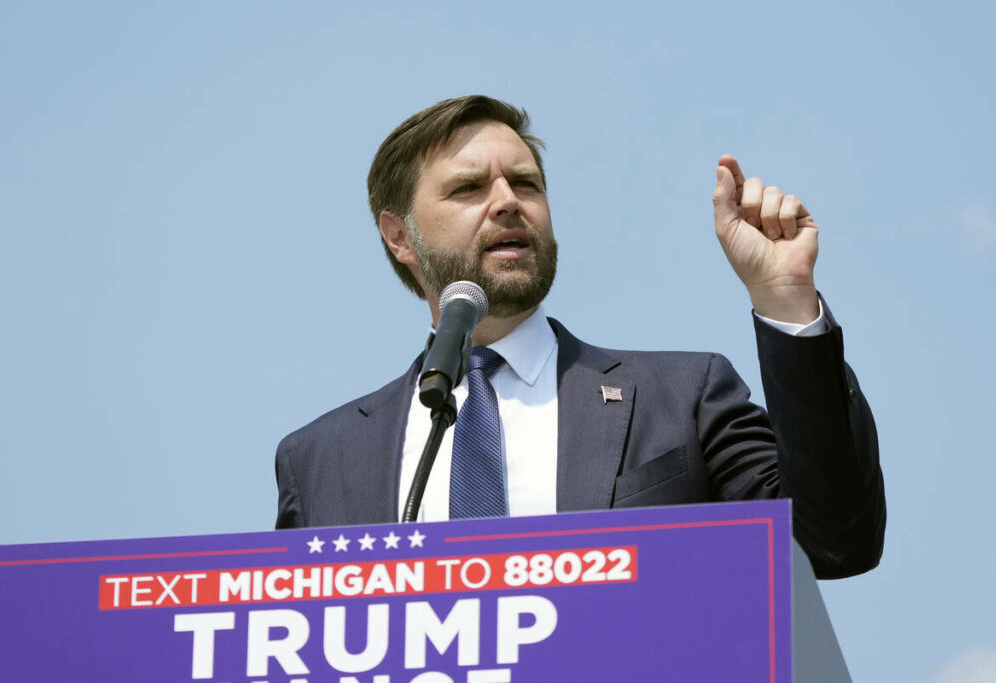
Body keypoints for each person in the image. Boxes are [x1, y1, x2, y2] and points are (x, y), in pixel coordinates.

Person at [275, 95, 885, 579]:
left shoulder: (682, 396)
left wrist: (784, 299)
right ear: (399, 236)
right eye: (468, 189)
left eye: (527, 183)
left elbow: (831, 544)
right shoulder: (321, 460)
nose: (508, 203)